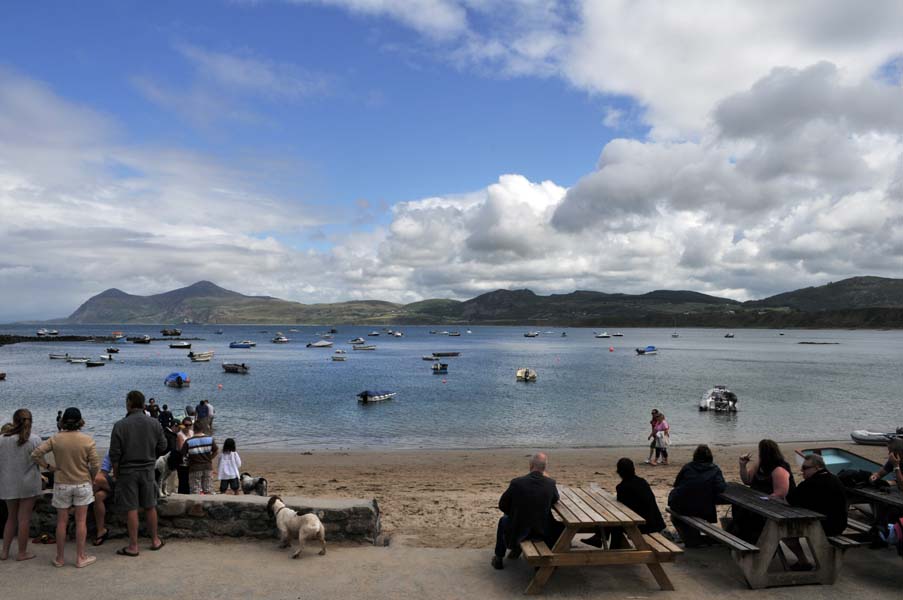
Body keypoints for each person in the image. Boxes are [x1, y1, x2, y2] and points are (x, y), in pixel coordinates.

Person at [31, 407, 101, 568]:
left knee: (61, 522)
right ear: (80, 422)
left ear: (63, 422)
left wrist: (48, 466)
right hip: (82, 482)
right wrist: (91, 478)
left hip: (62, 483)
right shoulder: (87, 440)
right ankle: (80, 557)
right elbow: (95, 464)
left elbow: (35, 454)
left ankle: (60, 558)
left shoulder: (55, 439)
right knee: (81, 521)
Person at [109, 390, 167, 557]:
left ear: (128, 404)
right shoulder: (154, 423)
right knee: (150, 506)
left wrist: (116, 473)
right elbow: (163, 447)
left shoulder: (120, 425)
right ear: (143, 405)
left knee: (131, 509)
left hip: (127, 472)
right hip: (148, 469)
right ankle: (155, 540)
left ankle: (133, 546)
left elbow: (115, 454)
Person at [492, 452, 563, 570]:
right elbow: (555, 499)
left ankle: (499, 557)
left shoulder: (517, 483)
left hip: (519, 530)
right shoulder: (550, 483)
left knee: (504, 520)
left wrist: (514, 513)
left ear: (530, 465)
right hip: (542, 530)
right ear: (545, 467)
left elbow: (502, 505)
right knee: (560, 525)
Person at [783, 453, 848, 569]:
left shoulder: (811, 483)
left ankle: (803, 562)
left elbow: (790, 499)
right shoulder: (834, 478)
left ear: (817, 467)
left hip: (824, 526)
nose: (802, 471)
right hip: (840, 524)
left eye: (805, 468)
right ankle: (806, 563)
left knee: (786, 532)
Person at [583, 458, 665, 548]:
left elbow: (621, 509)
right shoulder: (642, 481)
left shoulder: (622, 487)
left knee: (615, 520)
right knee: (616, 519)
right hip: (655, 522)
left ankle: (608, 544)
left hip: (644, 525)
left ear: (619, 472)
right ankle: (603, 540)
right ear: (633, 469)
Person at [733, 439, 795, 543]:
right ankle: (742, 539)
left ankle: (751, 541)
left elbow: (780, 494)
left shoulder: (779, 469)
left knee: (746, 513)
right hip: (759, 501)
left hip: (777, 506)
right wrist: (742, 465)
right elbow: (747, 480)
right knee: (738, 507)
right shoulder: (759, 464)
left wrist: (760, 500)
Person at [0, 409, 42, 562]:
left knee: (10, 518)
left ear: (14, 420)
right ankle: (22, 552)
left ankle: (4, 551)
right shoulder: (35, 439)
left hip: (7, 483)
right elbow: (40, 460)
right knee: (24, 519)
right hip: (28, 484)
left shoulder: (2, 439)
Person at [667, 445, 726, 547]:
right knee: (698, 507)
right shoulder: (715, 469)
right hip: (702, 508)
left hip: (679, 505)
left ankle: (692, 538)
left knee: (679, 515)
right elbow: (721, 487)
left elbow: (676, 484)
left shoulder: (688, 467)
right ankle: (694, 539)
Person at [183, 420, 218, 495]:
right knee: (208, 489)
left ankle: (197, 506)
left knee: (195, 491)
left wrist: (188, 462)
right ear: (203, 429)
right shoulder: (210, 439)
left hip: (194, 467)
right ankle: (208, 506)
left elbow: (183, 455)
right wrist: (210, 458)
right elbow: (216, 451)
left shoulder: (188, 441)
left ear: (193, 429)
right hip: (207, 466)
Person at [91, 453, 115, 546]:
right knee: (98, 496)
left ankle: (80, 506)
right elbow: (104, 471)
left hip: (128, 483)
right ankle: (101, 531)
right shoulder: (112, 450)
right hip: (116, 484)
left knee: (97, 481)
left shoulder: (130, 447)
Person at [175, 417, 194, 494]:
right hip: (182, 461)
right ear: (183, 425)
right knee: (183, 481)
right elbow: (181, 449)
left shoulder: (192, 432)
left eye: (190, 425)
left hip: (191, 460)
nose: (188, 427)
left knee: (190, 480)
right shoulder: (180, 435)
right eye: (186, 425)